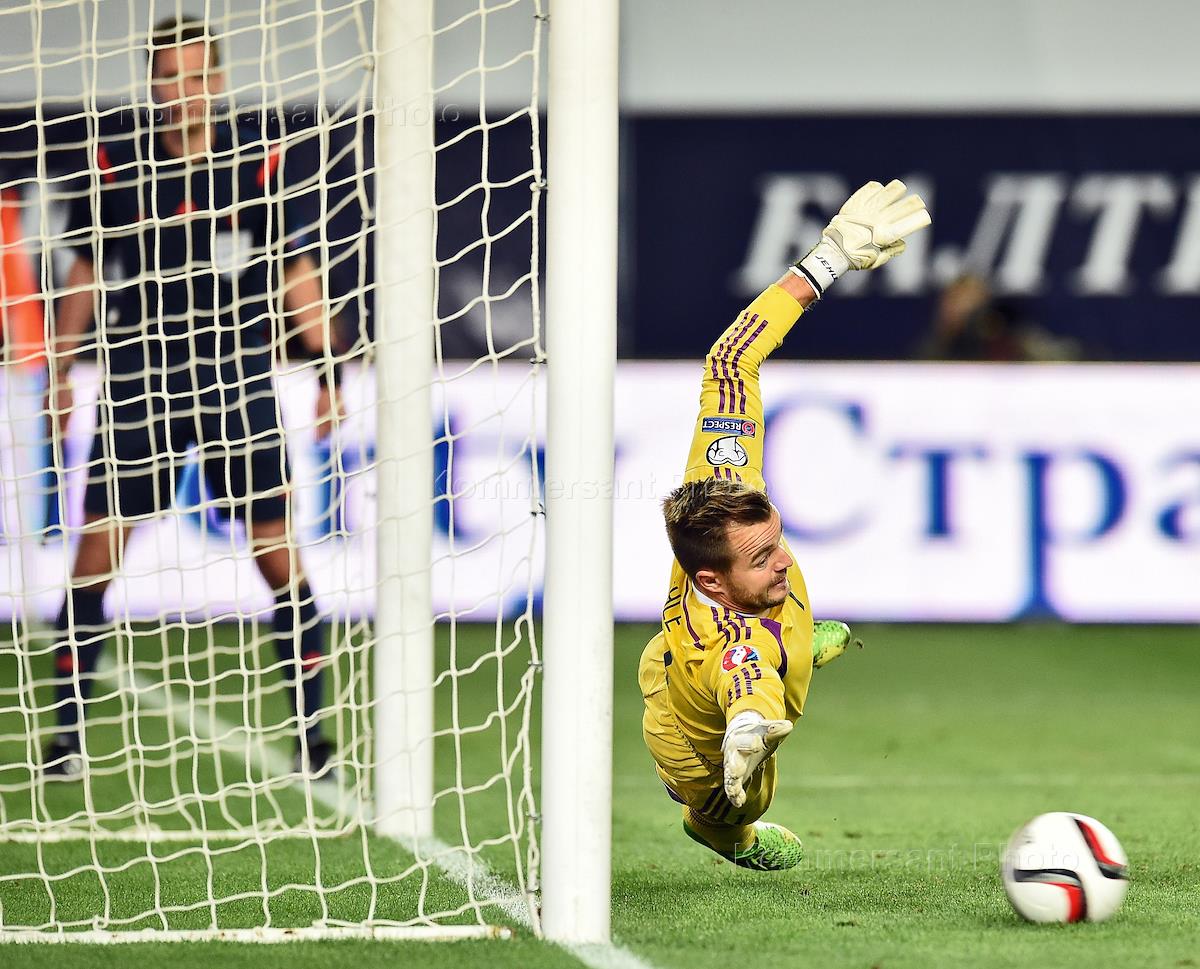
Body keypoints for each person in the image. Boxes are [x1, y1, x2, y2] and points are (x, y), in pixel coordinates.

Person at [43, 17, 339, 779]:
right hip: (140, 378)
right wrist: (59, 373)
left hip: (234, 376)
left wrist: (329, 375)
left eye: (197, 75)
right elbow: (84, 272)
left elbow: (295, 271)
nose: (185, 91)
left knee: (277, 556)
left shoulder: (256, 162)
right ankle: (66, 740)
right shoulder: (116, 165)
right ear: (153, 85)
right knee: (94, 556)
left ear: (218, 79)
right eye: (169, 77)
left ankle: (314, 739)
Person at [639, 180, 931, 869]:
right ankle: (726, 834)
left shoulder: (723, 489)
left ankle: (795, 646)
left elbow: (730, 359)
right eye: (760, 556)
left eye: (775, 540)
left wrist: (831, 256)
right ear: (712, 581)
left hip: (694, 654)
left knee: (774, 627)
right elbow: (746, 682)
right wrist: (745, 726)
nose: (782, 560)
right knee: (740, 803)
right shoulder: (734, 644)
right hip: (696, 743)